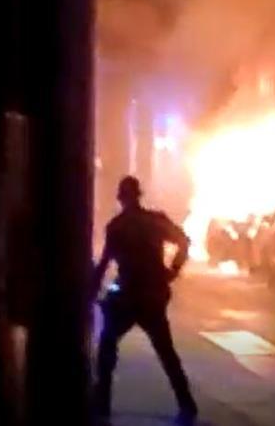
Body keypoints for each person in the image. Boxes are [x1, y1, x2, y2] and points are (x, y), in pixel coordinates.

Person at [92, 175, 198, 425]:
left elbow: (105, 263)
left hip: (128, 294)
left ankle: (102, 403)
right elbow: (184, 242)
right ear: (139, 195)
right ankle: (187, 404)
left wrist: (92, 290)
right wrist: (172, 270)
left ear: (121, 198)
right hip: (152, 294)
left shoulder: (116, 226)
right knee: (166, 352)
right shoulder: (155, 221)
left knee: (108, 347)